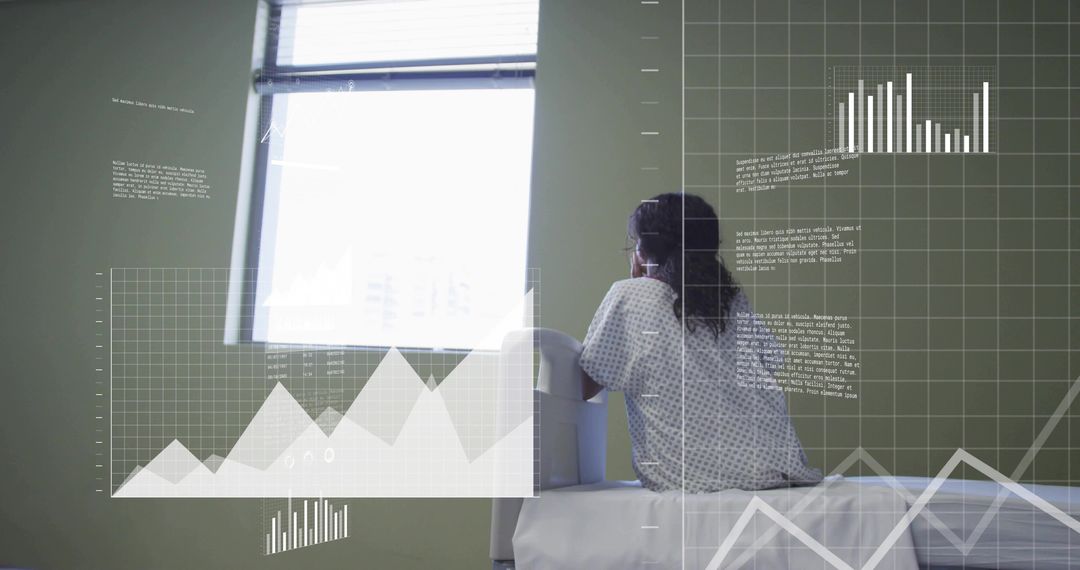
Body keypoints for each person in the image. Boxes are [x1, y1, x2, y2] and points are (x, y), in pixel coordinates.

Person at [579, 193, 822, 493]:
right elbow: (770, 362)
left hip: (691, 477)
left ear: (643, 251)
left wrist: (639, 282)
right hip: (777, 467)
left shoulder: (628, 296)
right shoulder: (731, 299)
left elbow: (586, 386)